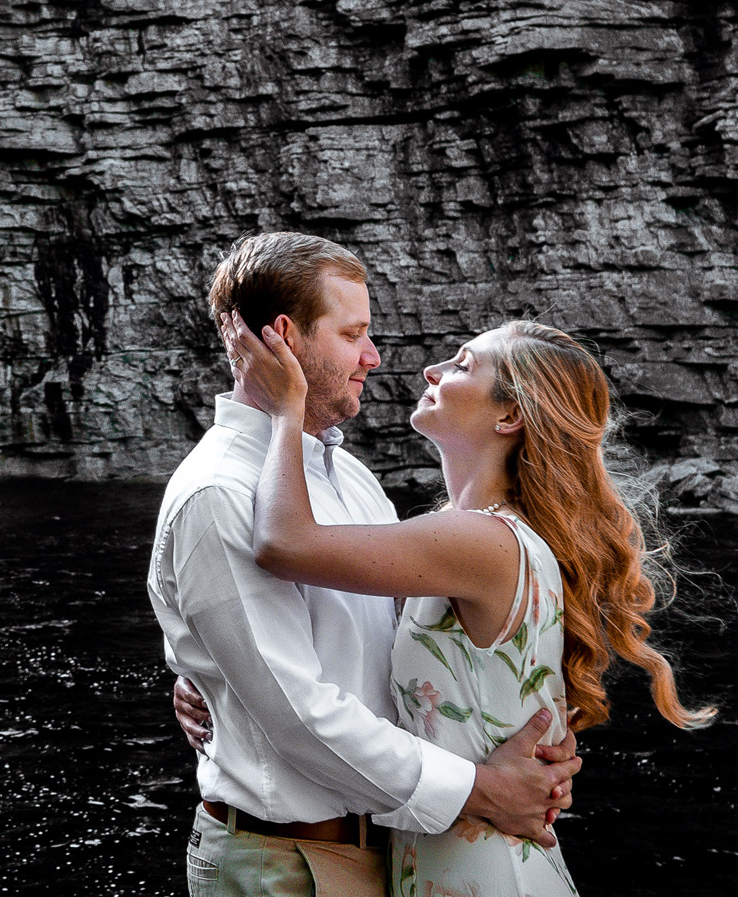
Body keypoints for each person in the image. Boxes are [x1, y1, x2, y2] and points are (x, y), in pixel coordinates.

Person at [214, 308, 715, 897]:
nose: (431, 369)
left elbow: (283, 544)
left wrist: (284, 411)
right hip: (456, 859)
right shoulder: (472, 534)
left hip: (481, 870)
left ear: (509, 415)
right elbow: (362, 642)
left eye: (462, 365)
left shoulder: (479, 540)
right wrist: (215, 677)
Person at [150, 233, 579, 897]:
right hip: (291, 865)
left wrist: (526, 739)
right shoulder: (220, 492)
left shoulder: (346, 476)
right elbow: (296, 712)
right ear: (288, 337)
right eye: (354, 333)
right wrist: (483, 787)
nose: (375, 357)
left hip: (388, 847)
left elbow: (390, 655)